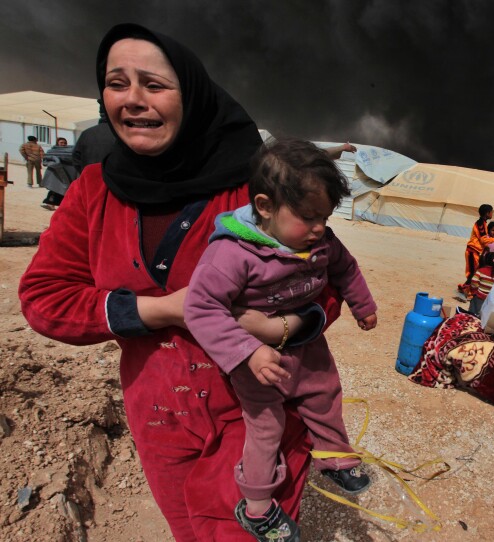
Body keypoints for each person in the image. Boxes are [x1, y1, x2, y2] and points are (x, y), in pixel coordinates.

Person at [18, 24, 353, 540]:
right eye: (116, 82)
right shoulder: (93, 191)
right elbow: (45, 298)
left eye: (153, 85)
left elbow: (325, 280)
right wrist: (163, 309)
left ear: (192, 94)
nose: (132, 99)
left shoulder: (255, 192)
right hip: (159, 417)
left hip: (256, 410)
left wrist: (280, 326)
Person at [184, 138, 377, 537]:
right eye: (308, 217)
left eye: (325, 216)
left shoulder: (321, 242)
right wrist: (248, 352)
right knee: (266, 425)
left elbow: (346, 269)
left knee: (325, 392)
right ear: (265, 207)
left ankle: (334, 457)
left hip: (308, 345)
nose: (320, 228)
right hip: (257, 362)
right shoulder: (232, 254)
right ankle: (256, 507)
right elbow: (200, 307)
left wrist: (363, 305)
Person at [457, 203, 494, 297]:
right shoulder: (480, 224)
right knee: (472, 272)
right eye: (491, 212)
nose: (492, 214)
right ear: (487, 213)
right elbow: (483, 239)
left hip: (476, 251)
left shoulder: (483, 223)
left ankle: (466, 288)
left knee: (474, 271)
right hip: (472, 250)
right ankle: (466, 290)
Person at [72, 105, 117, 174]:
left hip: (90, 178)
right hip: (114, 179)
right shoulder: (121, 134)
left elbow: (76, 159)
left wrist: (84, 172)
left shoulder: (86, 134)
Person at [467, 250, 494, 314]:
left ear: (486, 260)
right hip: (491, 301)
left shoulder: (481, 271)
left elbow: (474, 281)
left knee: (473, 315)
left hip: (479, 298)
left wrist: (475, 292)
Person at [40, 137, 74, 210]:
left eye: (64, 143)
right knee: (54, 189)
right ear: (57, 143)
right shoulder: (53, 151)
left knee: (65, 190)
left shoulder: (70, 152)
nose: (63, 144)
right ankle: (50, 204)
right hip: (55, 174)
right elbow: (46, 159)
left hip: (67, 174)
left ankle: (62, 206)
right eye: (61, 143)